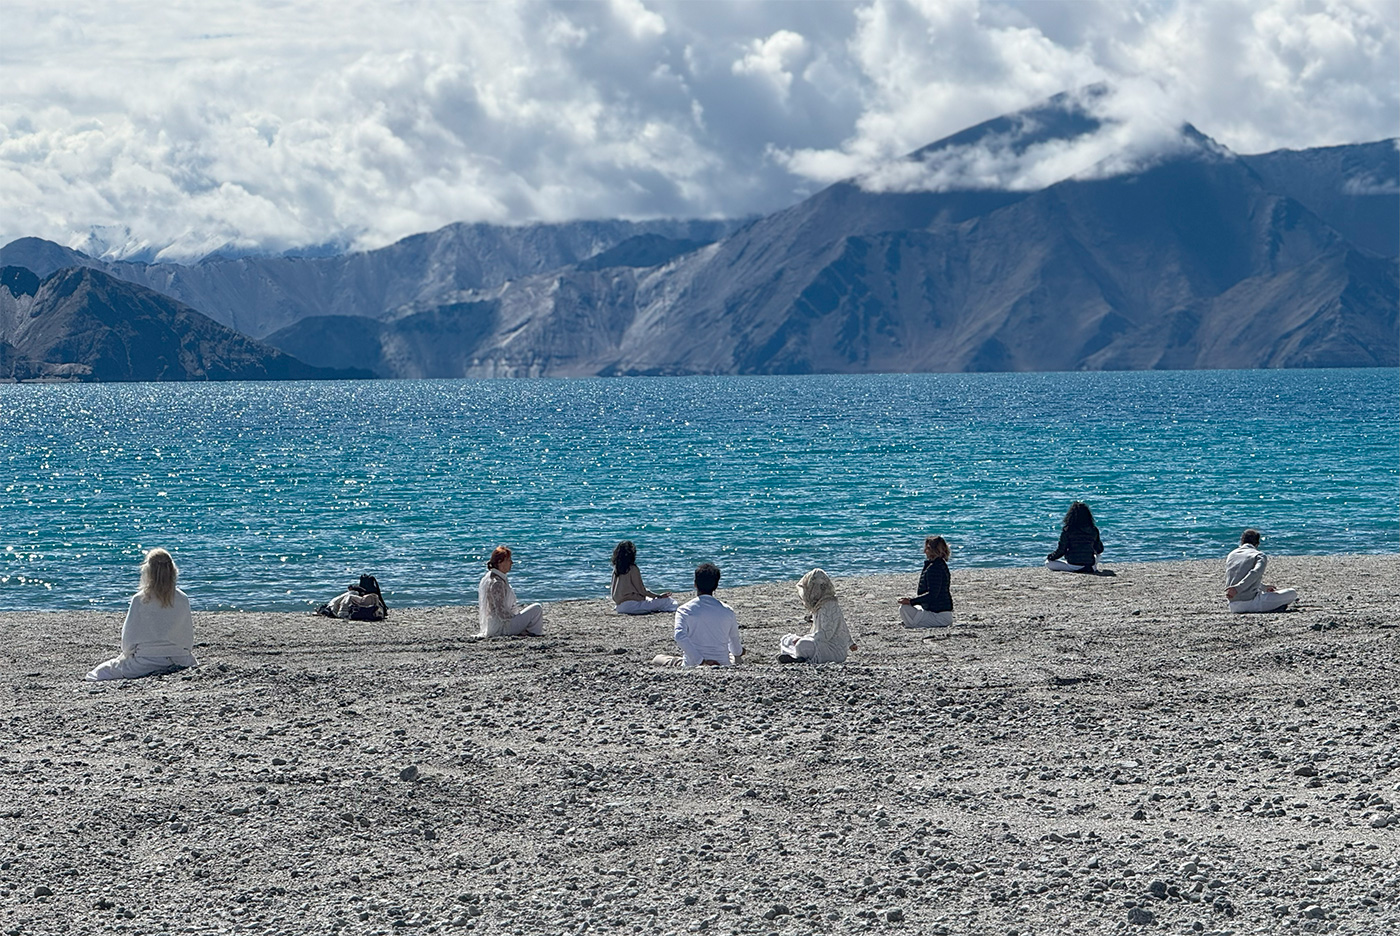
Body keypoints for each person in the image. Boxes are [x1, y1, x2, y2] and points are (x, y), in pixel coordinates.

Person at [87, 548, 197, 681]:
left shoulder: (140, 599)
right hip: (180, 660)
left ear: (148, 571)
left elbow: (128, 641)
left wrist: (129, 655)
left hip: (144, 663)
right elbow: (187, 639)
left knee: (96, 674)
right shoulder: (183, 598)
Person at [667, 563, 743, 667]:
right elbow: (734, 644)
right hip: (722, 662)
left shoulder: (684, 610)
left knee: (659, 659)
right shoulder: (727, 611)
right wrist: (739, 652)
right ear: (716, 586)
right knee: (732, 656)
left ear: (695, 584)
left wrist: (701, 661)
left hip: (693, 663)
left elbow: (679, 636)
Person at [778, 568, 856, 663]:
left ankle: (798, 656)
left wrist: (804, 638)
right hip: (820, 642)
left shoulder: (829, 605)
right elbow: (843, 625)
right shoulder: (819, 605)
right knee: (786, 639)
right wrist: (851, 643)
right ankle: (798, 657)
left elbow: (826, 635)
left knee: (802, 644)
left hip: (833, 648)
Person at [1224, 529, 1298, 613]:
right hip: (1251, 603)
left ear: (1242, 541)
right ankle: (1274, 608)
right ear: (1257, 543)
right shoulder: (1259, 555)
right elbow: (1255, 573)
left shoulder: (1232, 555)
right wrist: (1237, 589)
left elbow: (1239, 575)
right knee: (1292, 593)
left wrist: (1264, 588)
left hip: (1233, 605)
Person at [477, 546, 544, 637]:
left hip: (497, 624)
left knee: (532, 611)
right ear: (500, 562)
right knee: (537, 608)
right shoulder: (497, 583)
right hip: (503, 627)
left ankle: (528, 631)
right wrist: (515, 619)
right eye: (508, 560)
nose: (511, 563)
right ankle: (534, 633)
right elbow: (501, 612)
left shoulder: (494, 577)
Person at [899, 536, 955, 628]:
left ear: (935, 550)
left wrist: (911, 601)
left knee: (904, 608)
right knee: (909, 608)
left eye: (928, 548)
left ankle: (915, 624)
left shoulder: (935, 568)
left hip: (940, 616)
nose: (925, 551)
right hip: (938, 612)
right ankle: (915, 622)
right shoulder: (938, 564)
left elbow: (932, 595)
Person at [610, 541, 679, 615]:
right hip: (633, 605)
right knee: (668, 601)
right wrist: (658, 596)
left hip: (620, 606)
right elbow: (641, 590)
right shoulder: (632, 568)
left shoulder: (616, 569)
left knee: (650, 600)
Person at [1045, 501, 1104, 572]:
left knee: (1048, 563)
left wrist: (1051, 557)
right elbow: (1099, 549)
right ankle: (1090, 567)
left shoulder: (1068, 530)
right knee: (1098, 556)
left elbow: (1061, 550)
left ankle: (1075, 568)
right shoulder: (1093, 529)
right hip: (1090, 565)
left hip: (1073, 565)